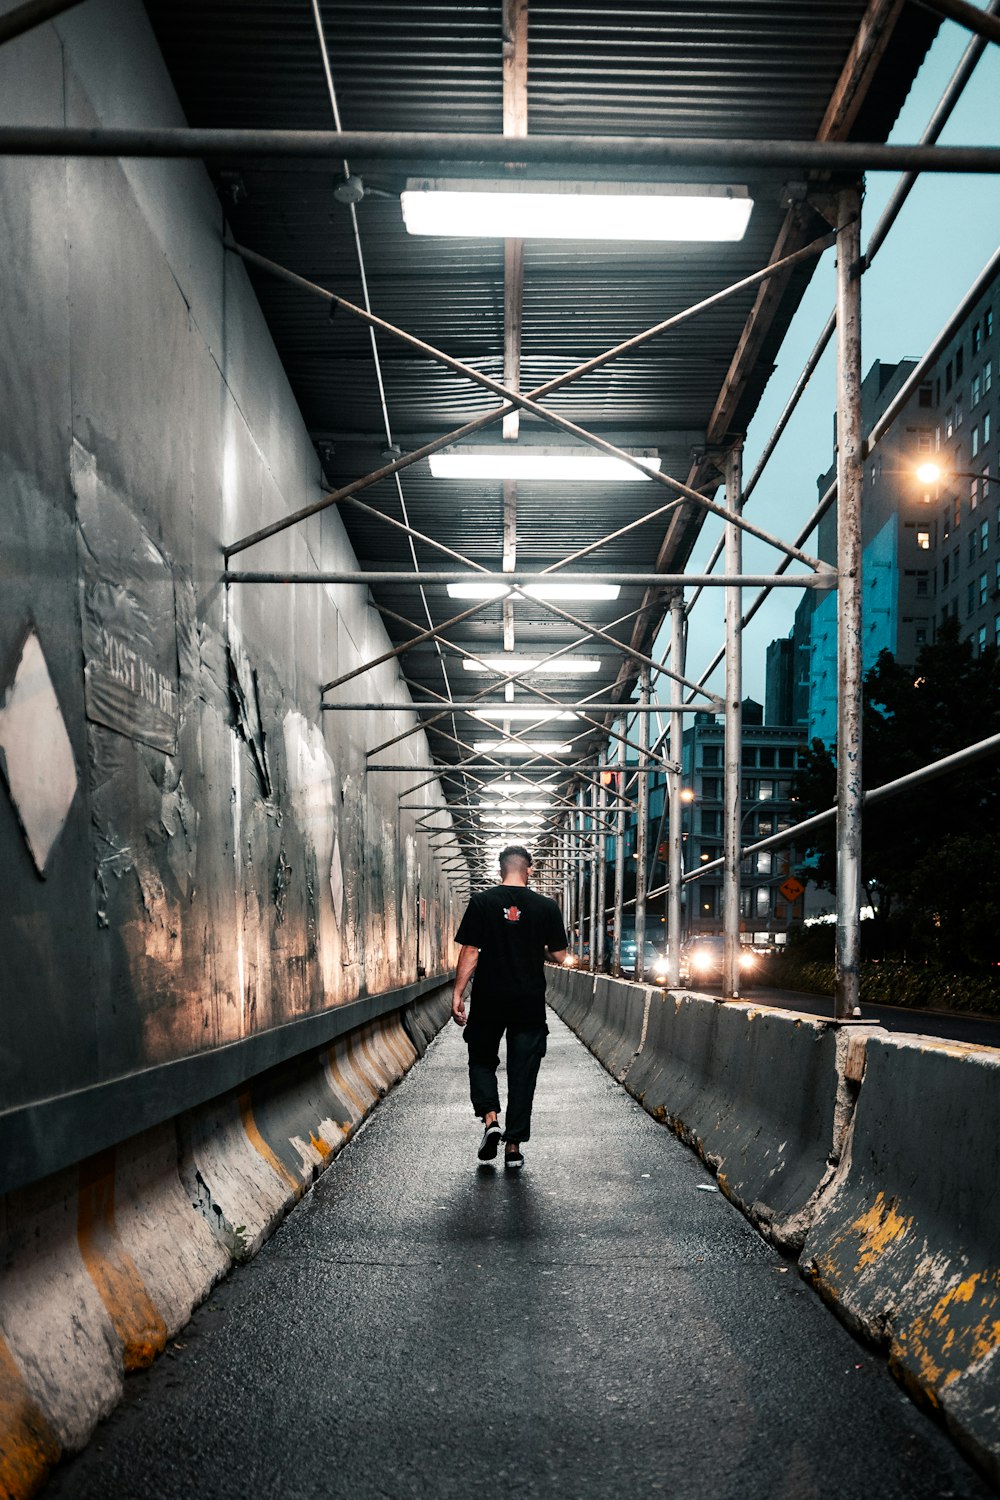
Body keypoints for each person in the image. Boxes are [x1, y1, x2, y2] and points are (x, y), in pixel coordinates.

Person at [451, 845, 568, 1170]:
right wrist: (534, 949)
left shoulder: (482, 902)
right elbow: (560, 955)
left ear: (499, 868)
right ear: (528, 869)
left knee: (482, 1060)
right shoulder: (546, 906)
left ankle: (491, 1121)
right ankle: (513, 1145)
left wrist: (458, 994)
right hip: (528, 1002)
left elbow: (471, 952)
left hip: (489, 998)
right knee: (522, 1072)